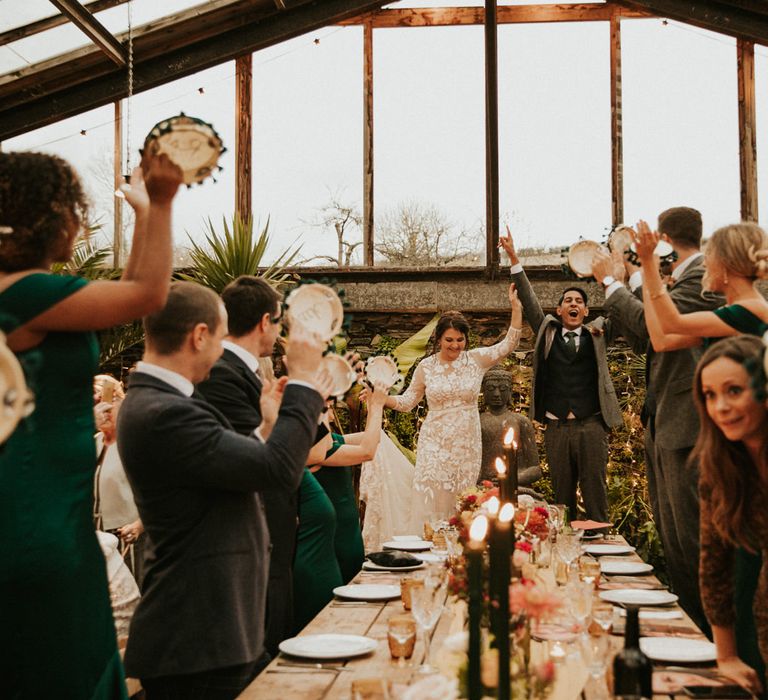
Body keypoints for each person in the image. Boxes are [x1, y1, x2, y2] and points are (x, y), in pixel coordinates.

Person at [0, 150, 182, 698]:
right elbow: (147, 296)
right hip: (39, 523)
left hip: (53, 514)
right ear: (45, 217)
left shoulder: (29, 291)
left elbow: (122, 298)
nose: (79, 222)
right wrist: (165, 204)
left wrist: (145, 214)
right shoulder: (25, 292)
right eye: (72, 210)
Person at [116, 281, 330, 698]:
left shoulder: (167, 403)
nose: (221, 350)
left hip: (215, 632)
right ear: (199, 336)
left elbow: (227, 471)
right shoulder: (165, 412)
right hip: (197, 635)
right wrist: (303, 382)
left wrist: (268, 429)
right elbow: (278, 470)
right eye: (219, 336)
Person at [592, 206, 723, 633]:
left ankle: (712, 641)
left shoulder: (702, 279)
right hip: (665, 423)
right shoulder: (674, 281)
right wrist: (632, 277)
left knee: (695, 543)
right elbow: (644, 337)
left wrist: (614, 283)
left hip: (689, 426)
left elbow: (657, 334)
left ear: (664, 239)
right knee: (677, 544)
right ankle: (696, 636)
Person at [196, 274, 303, 655]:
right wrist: (304, 391)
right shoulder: (222, 374)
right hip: (253, 533)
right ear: (264, 322)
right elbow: (261, 457)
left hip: (269, 536)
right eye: (278, 323)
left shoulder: (246, 371)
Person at [501, 229, 622, 522]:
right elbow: (530, 301)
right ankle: (564, 553)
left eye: (579, 301)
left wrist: (618, 271)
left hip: (592, 426)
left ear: (586, 310)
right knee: (561, 498)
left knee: (595, 494)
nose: (573, 304)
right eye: (567, 300)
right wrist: (514, 259)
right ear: (559, 309)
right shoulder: (547, 332)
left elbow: (621, 312)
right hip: (557, 429)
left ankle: (602, 549)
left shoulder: (599, 332)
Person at [384, 285, 522, 530]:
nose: (455, 345)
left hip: (465, 444)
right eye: (449, 340)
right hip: (434, 443)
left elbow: (509, 343)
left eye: (460, 339)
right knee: (430, 495)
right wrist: (381, 398)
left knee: (461, 499)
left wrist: (516, 308)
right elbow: (406, 402)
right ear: (438, 340)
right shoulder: (426, 367)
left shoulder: (476, 360)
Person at [693, 335, 768, 696]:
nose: (720, 406)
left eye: (734, 390)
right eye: (710, 395)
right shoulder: (720, 467)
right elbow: (715, 563)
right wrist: (726, 657)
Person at [631, 221, 768, 349]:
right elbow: (662, 341)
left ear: (727, 264)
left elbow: (672, 323)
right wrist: (647, 270)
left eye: (709, 254)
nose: (704, 263)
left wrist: (649, 262)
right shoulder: (738, 311)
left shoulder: (750, 309)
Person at [312, 383, 388, 583]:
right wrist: (378, 405)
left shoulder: (331, 440)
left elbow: (372, 438)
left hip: (349, 539)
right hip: (333, 544)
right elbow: (366, 451)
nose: (331, 416)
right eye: (326, 410)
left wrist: (373, 403)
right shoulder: (316, 451)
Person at [94, 374, 147, 586]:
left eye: (107, 401)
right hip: (98, 536)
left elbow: (158, 487)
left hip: (130, 535)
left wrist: (139, 525)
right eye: (96, 404)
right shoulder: (93, 443)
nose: (102, 410)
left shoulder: (134, 440)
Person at [477, 367, 541, 487]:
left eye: (503, 389)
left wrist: (513, 478)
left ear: (510, 391)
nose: (497, 394)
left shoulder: (521, 421)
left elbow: (535, 469)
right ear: (484, 392)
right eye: (491, 389)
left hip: (515, 486)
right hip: (483, 485)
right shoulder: (476, 422)